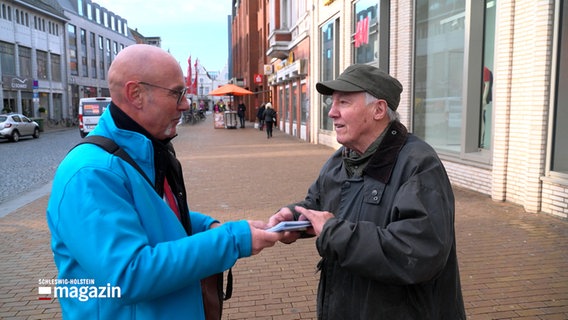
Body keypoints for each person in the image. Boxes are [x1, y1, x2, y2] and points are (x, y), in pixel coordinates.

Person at [46, 44, 282, 319]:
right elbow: (130, 274)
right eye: (176, 93)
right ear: (136, 94)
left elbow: (151, 213)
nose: (185, 103)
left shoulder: (147, 149)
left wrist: (207, 226)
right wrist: (231, 240)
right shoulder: (90, 173)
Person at [268, 64, 466, 319]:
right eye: (332, 102)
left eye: (344, 102)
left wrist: (334, 233)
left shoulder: (418, 164)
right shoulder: (341, 160)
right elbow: (318, 203)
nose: (332, 112)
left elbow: (417, 252)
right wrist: (293, 216)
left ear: (379, 110)